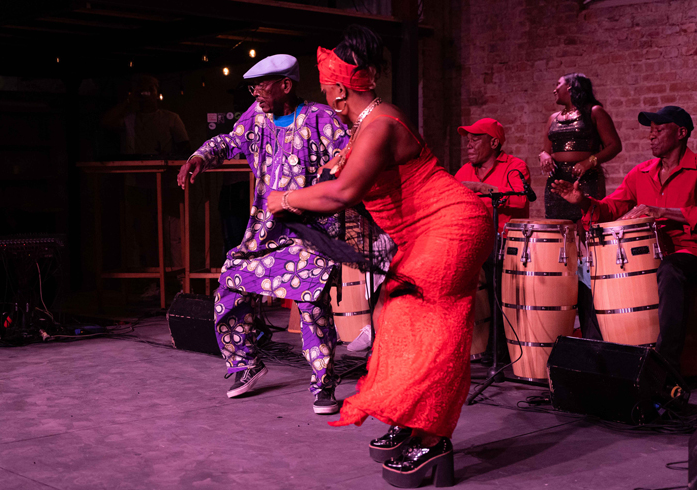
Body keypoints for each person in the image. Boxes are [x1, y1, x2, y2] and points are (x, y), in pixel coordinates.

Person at [266, 26, 492, 488]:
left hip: (451, 225)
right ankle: (413, 420)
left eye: (324, 80)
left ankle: (434, 438)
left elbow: (345, 192)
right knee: (392, 315)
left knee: (431, 325)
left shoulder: (379, 124)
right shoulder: (368, 123)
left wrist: (286, 198)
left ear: (338, 87)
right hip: (421, 233)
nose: (321, 88)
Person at [177, 55, 349, 414]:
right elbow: (228, 141)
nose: (255, 90)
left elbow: (347, 159)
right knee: (231, 283)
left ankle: (323, 384)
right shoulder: (256, 118)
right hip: (265, 234)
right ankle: (245, 364)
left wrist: (320, 192)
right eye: (253, 85)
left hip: (310, 233)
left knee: (311, 303)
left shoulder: (320, 118)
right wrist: (200, 156)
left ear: (285, 85)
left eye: (263, 83)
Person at [551, 105, 697, 374]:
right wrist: (582, 201)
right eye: (650, 131)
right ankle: (598, 363)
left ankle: (665, 369)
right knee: (587, 271)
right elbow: (608, 209)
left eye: (659, 130)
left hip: (687, 253)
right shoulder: (640, 173)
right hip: (646, 254)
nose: (651, 136)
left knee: (671, 269)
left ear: (681, 133)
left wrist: (663, 211)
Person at [539, 73, 622, 340]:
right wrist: (543, 155)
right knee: (562, 242)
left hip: (584, 180)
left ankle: (591, 314)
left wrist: (590, 162)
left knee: (586, 240)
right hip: (557, 182)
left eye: (558, 85)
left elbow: (614, 145)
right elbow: (546, 149)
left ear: (573, 88)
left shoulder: (594, 112)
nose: (554, 89)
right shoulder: (554, 119)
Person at [102, 75, 191, 295]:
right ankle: (154, 282)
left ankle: (181, 283)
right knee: (145, 234)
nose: (146, 94)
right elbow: (106, 123)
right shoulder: (130, 119)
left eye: (150, 89)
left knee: (174, 234)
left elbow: (186, 148)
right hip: (138, 184)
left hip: (167, 183)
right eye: (142, 90)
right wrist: (128, 101)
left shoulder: (170, 118)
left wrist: (167, 158)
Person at [455, 118, 530, 365]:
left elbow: (520, 200)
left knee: (493, 268)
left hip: (505, 243)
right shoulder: (463, 171)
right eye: (468, 140)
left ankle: (496, 348)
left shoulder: (514, 166)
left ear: (494, 142)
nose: (469, 145)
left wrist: (481, 188)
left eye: (476, 139)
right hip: (471, 241)